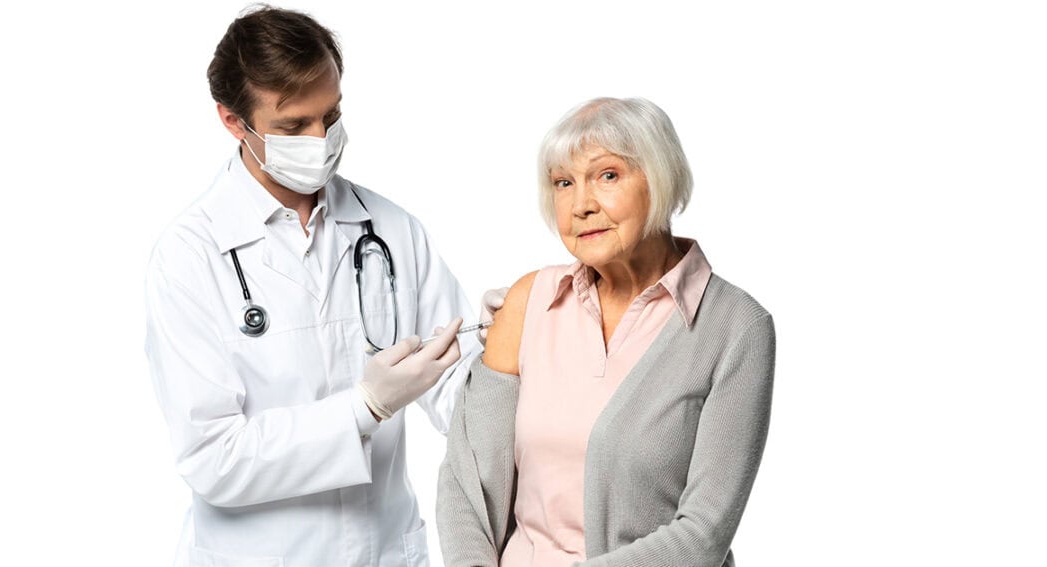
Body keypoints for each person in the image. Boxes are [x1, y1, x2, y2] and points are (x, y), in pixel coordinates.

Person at [144, 6, 483, 566]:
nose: (322, 139)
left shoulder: (393, 229)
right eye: (293, 126)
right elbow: (214, 458)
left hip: (385, 551)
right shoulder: (189, 256)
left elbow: (460, 389)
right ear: (233, 122)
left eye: (331, 115)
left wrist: (519, 344)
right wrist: (366, 407)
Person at [437, 97, 776, 567]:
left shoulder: (735, 326)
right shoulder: (528, 302)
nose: (580, 205)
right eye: (563, 183)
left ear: (661, 179)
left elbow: (703, 535)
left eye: (608, 175)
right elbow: (467, 485)